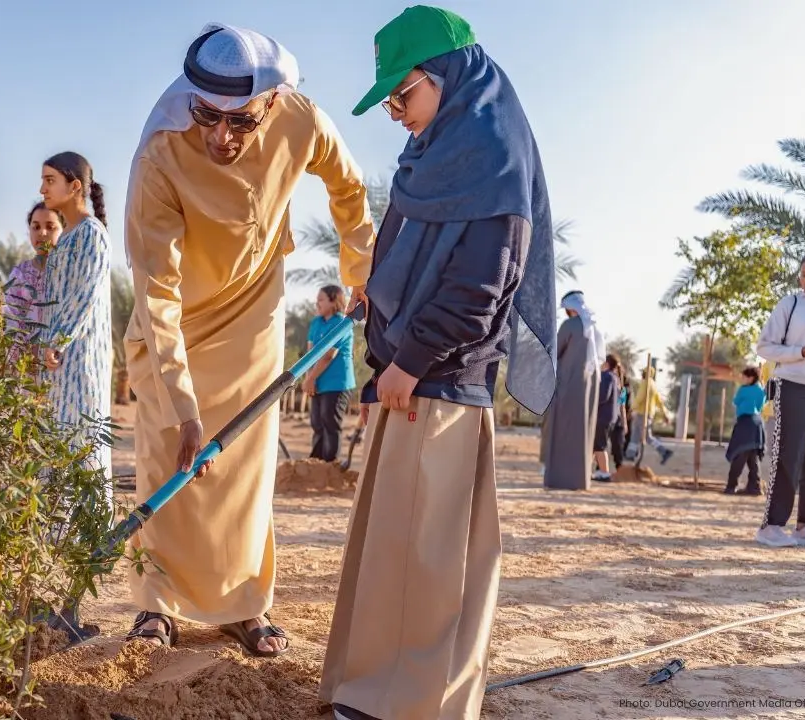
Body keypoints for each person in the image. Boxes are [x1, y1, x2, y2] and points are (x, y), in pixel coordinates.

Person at [319, 7, 557, 720]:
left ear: (449, 77)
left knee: (428, 569)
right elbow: (397, 269)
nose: (393, 113)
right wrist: (379, 363)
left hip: (443, 389)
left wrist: (411, 362)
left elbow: (480, 290)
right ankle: (370, 693)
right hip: (405, 383)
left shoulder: (493, 160)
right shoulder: (433, 157)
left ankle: (408, 707)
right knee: (391, 559)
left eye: (402, 95)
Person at [123, 22, 375, 656]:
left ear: (270, 100)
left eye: (240, 122)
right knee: (167, 455)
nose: (221, 136)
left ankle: (244, 604)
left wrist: (361, 271)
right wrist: (184, 408)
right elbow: (156, 294)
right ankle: (156, 606)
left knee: (244, 465)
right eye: (208, 116)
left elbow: (348, 188)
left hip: (253, 312)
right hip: (174, 324)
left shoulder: (301, 120)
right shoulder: (160, 154)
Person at [39, 152, 113, 495]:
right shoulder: (65, 237)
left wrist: (58, 341)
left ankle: (95, 543)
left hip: (80, 362)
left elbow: (85, 294)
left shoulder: (92, 234)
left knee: (85, 449)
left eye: (50, 180)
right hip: (57, 364)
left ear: (75, 186)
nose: (42, 189)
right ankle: (60, 543)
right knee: (56, 448)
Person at [754, 248, 805, 548]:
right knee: (789, 455)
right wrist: (803, 352)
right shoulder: (790, 304)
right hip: (793, 386)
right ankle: (772, 526)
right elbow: (765, 347)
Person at [542, 291, 603, 490]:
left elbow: (555, 351)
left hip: (568, 383)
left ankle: (559, 478)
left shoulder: (569, 326)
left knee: (562, 428)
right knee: (584, 429)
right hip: (589, 386)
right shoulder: (595, 329)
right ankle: (580, 479)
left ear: (571, 308)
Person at [3, 202, 65, 368]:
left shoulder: (68, 275)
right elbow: (11, 319)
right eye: (36, 227)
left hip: (59, 365)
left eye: (50, 227)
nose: (42, 233)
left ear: (64, 230)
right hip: (26, 370)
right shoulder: (20, 274)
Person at [304, 285, 358, 462]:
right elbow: (310, 353)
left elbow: (328, 355)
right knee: (317, 423)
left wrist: (311, 378)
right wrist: (308, 379)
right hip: (317, 382)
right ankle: (316, 461)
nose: (317, 303)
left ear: (334, 301)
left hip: (337, 383)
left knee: (330, 422)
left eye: (321, 300)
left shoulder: (342, 323)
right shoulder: (316, 322)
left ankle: (330, 463)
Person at [724, 367, 765, 496]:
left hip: (745, 423)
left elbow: (736, 402)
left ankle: (731, 487)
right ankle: (754, 488)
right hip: (757, 424)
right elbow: (760, 406)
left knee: (739, 455)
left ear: (751, 378)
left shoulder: (743, 390)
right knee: (753, 458)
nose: (742, 379)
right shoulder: (761, 390)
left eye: (744, 377)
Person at [626, 366, 674, 465]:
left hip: (642, 413)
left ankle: (664, 451)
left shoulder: (645, 383)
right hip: (648, 414)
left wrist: (631, 409)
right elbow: (659, 402)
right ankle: (630, 455)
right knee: (635, 435)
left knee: (647, 437)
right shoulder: (653, 385)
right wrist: (665, 414)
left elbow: (639, 398)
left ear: (644, 373)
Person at [592, 354, 622, 482]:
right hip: (611, 418)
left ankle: (604, 472)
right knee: (596, 445)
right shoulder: (616, 378)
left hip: (602, 417)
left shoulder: (607, 377)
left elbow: (603, 396)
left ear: (607, 364)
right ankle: (593, 469)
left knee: (600, 445)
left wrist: (591, 402)